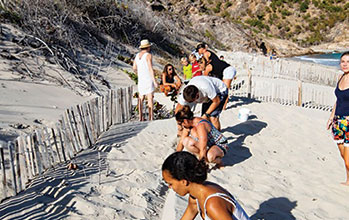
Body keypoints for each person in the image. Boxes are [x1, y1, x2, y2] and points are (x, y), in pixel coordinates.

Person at [162, 151, 251, 220]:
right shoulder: (197, 193)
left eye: (170, 184)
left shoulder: (213, 204)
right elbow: (191, 211)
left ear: (184, 182)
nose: (170, 187)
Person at [327, 51, 349, 186]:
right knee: (343, 155)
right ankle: (348, 180)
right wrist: (331, 117)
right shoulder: (340, 77)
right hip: (338, 121)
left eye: (348, 61)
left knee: (348, 159)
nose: (345, 64)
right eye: (343, 62)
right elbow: (338, 100)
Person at [133, 39, 158, 121]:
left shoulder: (137, 56)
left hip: (141, 79)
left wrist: (138, 74)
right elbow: (150, 68)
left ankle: (140, 117)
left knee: (141, 98)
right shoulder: (148, 55)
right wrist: (154, 81)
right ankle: (150, 117)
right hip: (148, 78)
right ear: (148, 47)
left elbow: (134, 68)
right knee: (149, 98)